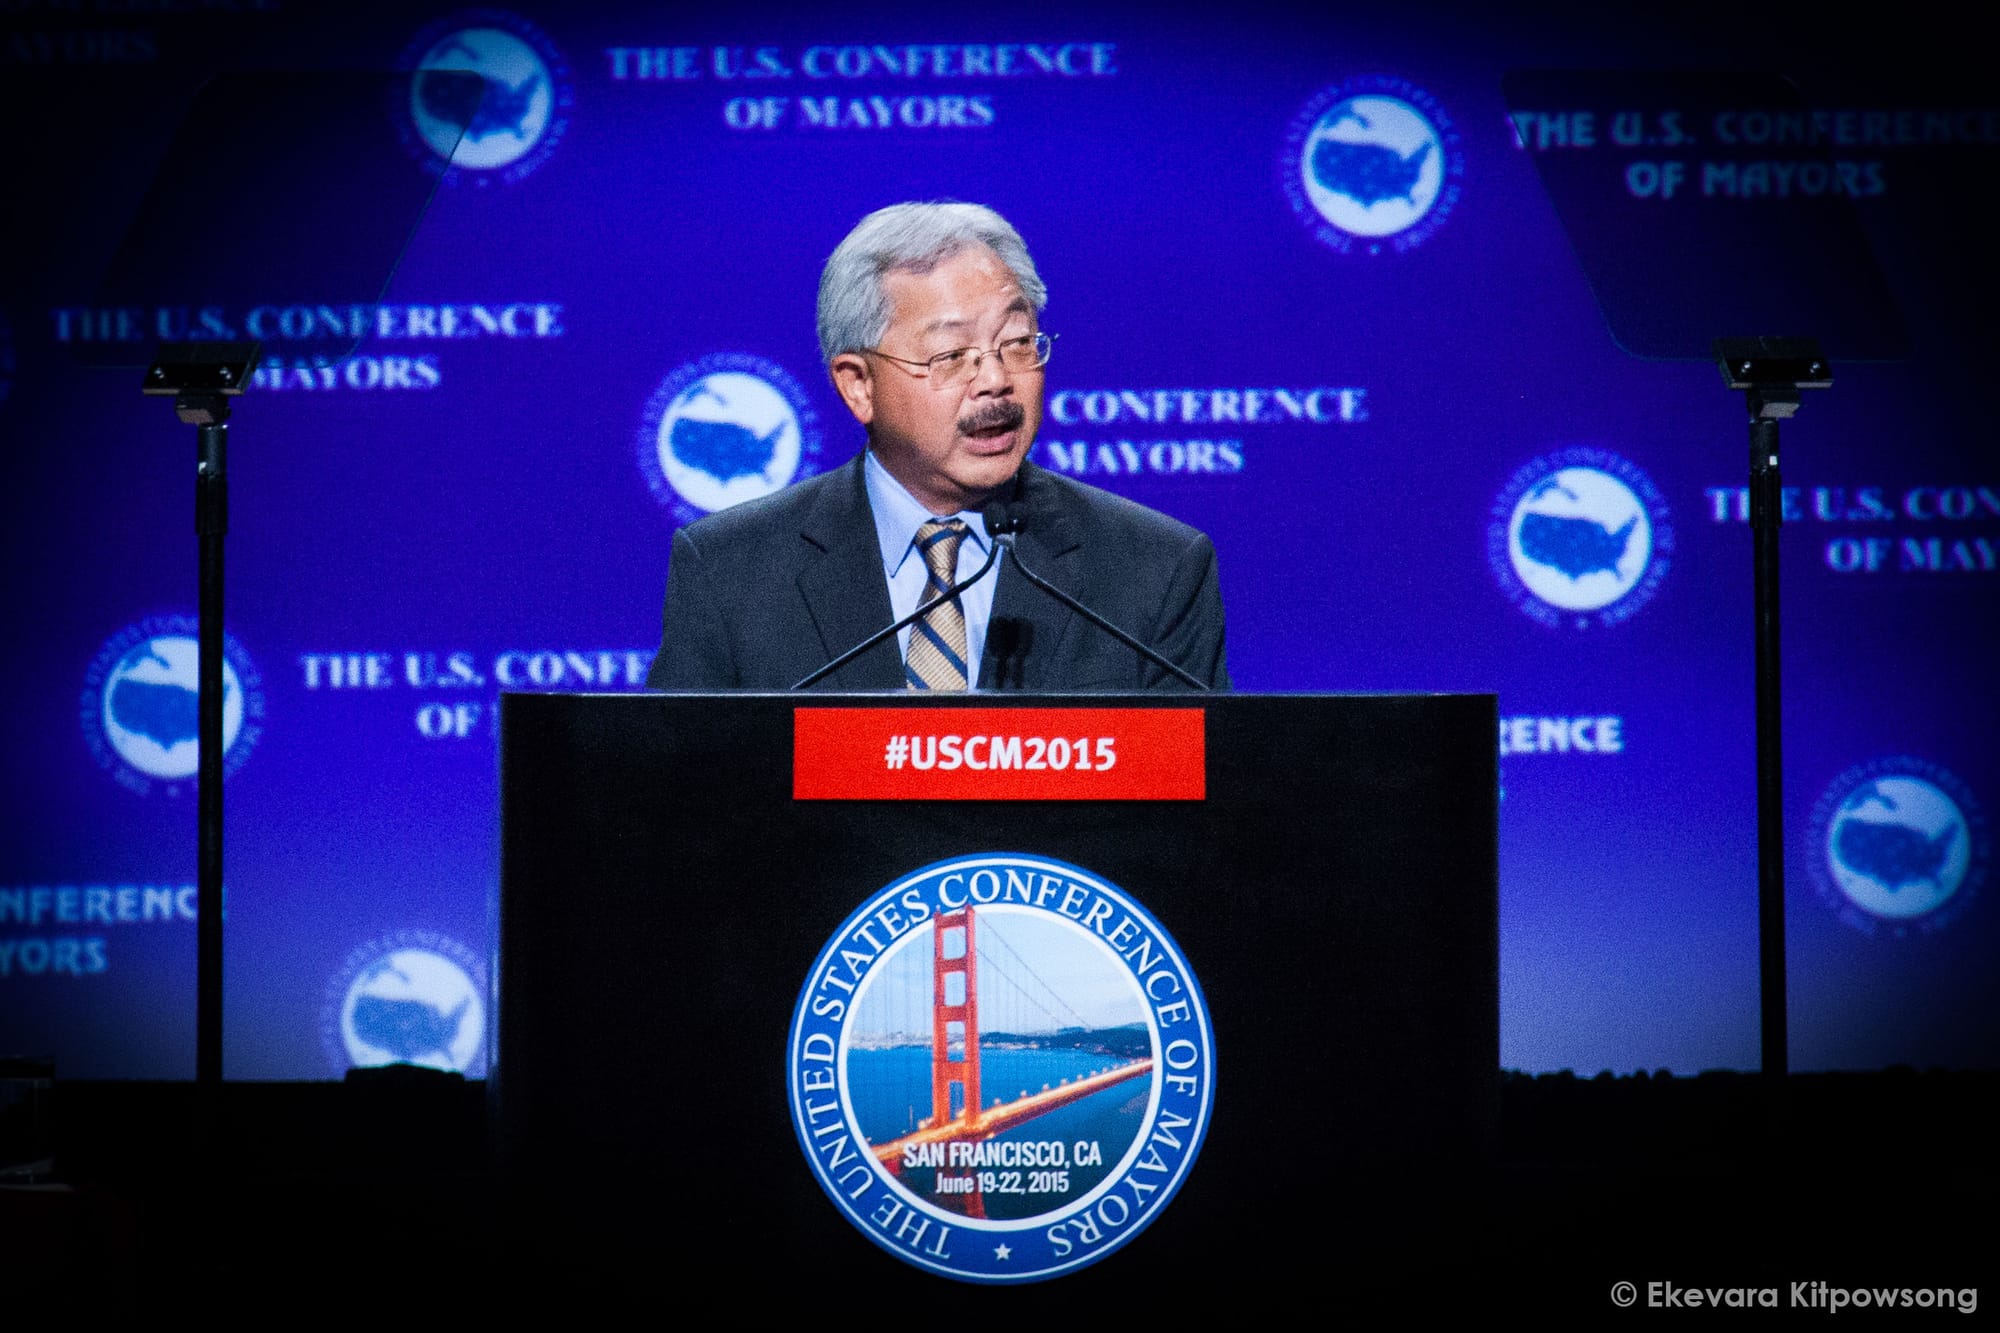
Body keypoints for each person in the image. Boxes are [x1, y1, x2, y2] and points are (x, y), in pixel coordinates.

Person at [645, 200, 1229, 692]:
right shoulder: (730, 572)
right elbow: (688, 802)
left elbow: (1184, 813)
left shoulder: (1157, 570)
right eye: (951, 356)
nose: (997, 380)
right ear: (858, 386)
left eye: (1018, 343)